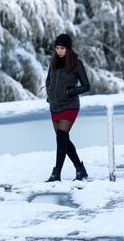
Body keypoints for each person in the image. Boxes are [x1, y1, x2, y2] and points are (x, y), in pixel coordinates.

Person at [45, 33, 91, 182]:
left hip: (70, 105)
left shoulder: (76, 63)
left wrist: (71, 91)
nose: (59, 51)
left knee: (61, 137)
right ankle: (80, 169)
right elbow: (48, 82)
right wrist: (50, 94)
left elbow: (86, 86)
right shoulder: (53, 62)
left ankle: (56, 173)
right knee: (62, 139)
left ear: (68, 49)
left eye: (62, 48)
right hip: (55, 106)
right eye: (57, 48)